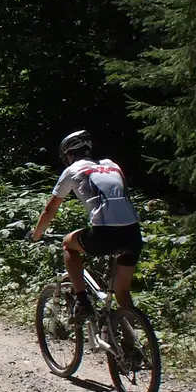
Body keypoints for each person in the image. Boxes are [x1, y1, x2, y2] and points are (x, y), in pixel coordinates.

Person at [30, 130, 142, 316]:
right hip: (133, 233)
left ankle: (82, 301)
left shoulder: (72, 170)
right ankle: (129, 333)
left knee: (68, 244)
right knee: (122, 291)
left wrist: (36, 236)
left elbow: (50, 210)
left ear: (69, 154)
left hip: (104, 234)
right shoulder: (112, 165)